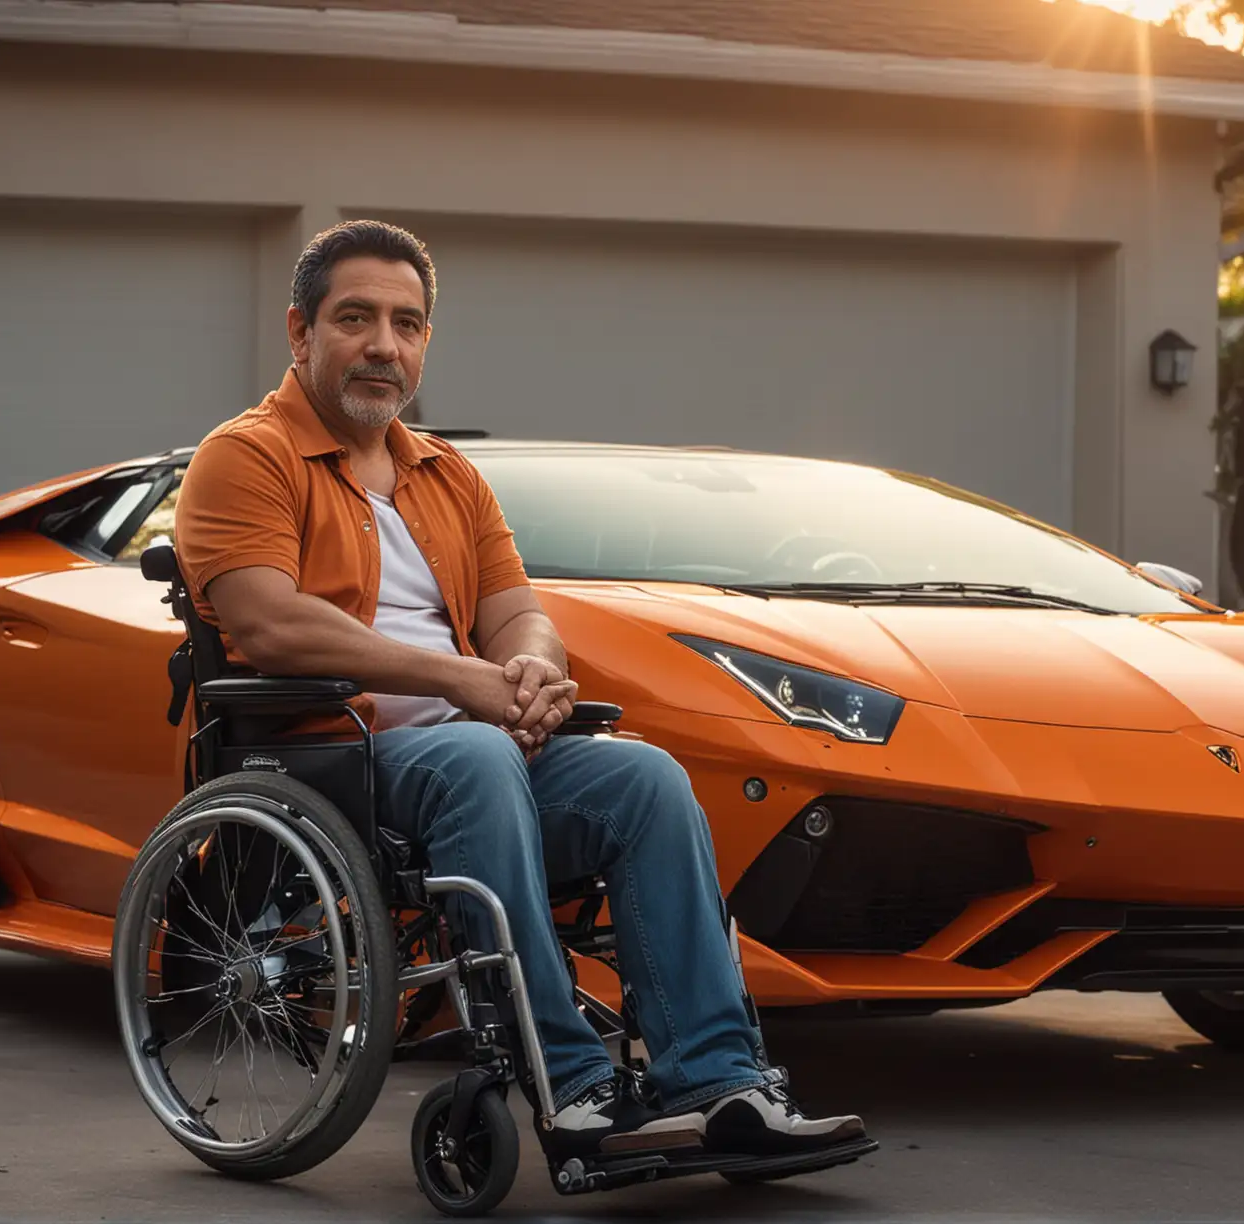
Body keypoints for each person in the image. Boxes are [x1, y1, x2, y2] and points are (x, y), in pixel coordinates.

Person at [173, 220, 866, 1160]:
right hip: (327, 754)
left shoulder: (448, 476)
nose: (385, 344)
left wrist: (534, 663)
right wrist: (463, 679)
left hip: (474, 755)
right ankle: (576, 1091)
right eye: (357, 318)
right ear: (300, 331)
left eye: (408, 324)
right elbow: (267, 624)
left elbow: (516, 613)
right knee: (476, 751)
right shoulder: (246, 456)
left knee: (644, 780)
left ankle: (718, 1083)